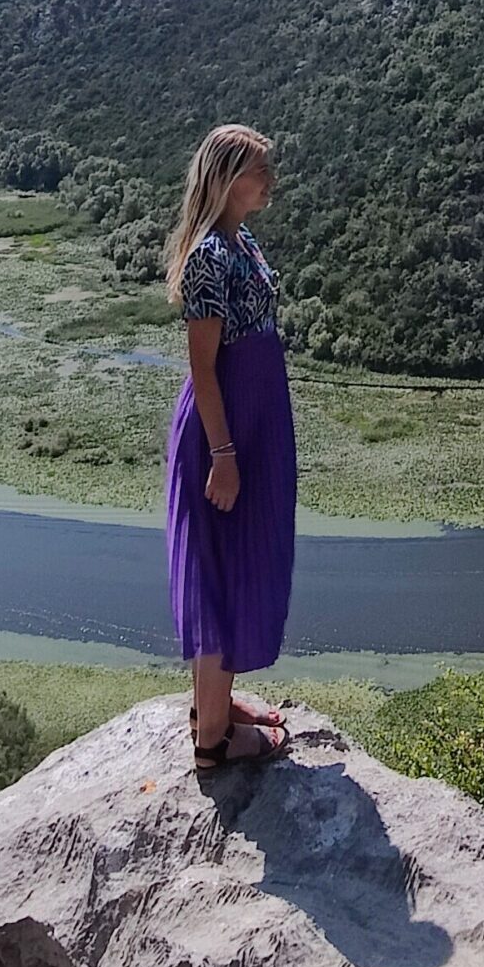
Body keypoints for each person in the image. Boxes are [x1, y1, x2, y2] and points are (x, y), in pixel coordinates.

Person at [164, 123, 298, 773]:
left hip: (249, 428)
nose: (268, 180)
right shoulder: (210, 258)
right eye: (257, 170)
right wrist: (222, 455)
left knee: (235, 563)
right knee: (217, 573)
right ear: (225, 177)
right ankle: (213, 741)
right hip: (226, 436)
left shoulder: (236, 241)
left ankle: (215, 706)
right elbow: (204, 368)